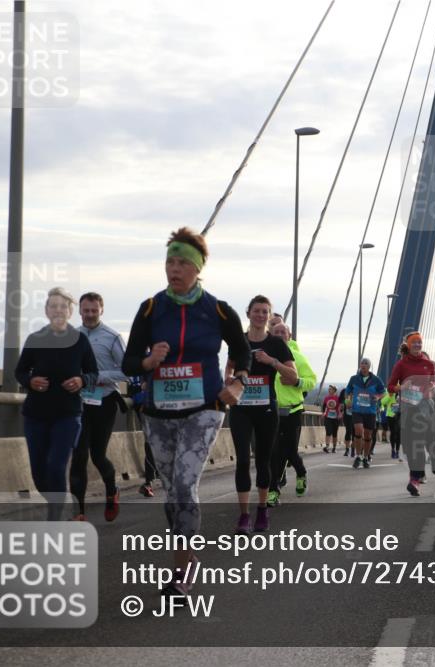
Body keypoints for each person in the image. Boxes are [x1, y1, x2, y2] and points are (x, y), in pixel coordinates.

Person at [122, 227, 250, 597]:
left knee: (183, 484)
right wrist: (149, 361)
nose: (173, 269)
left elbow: (241, 352)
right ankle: (188, 553)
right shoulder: (150, 309)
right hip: (158, 411)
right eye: (169, 262)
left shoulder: (218, 310)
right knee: (170, 491)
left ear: (197, 269)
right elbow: (131, 359)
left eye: (182, 263)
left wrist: (237, 383)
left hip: (204, 408)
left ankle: (180, 573)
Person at [15, 288, 99, 520]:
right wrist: (30, 381)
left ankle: (55, 519)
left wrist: (81, 380)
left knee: (55, 466)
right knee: (39, 473)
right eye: (53, 306)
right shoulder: (35, 339)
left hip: (68, 414)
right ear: (46, 310)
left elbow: (93, 372)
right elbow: (20, 371)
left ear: (71, 311)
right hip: (35, 415)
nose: (58, 310)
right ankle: (55, 502)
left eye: (63, 306)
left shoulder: (80, 341)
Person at [226, 295, 295, 533]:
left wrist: (271, 361)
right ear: (248, 313)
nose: (261, 315)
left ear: (269, 316)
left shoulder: (276, 344)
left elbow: (293, 377)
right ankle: (244, 516)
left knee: (264, 461)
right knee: (243, 460)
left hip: (266, 409)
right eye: (257, 311)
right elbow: (229, 367)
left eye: (265, 312)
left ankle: (262, 510)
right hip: (241, 409)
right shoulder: (239, 341)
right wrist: (228, 378)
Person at [71, 292, 129, 522]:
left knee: (97, 455)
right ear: (80, 311)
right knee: (78, 455)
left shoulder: (112, 337)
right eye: (86, 310)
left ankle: (112, 489)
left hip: (104, 401)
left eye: (94, 310)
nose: (90, 315)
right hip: (79, 402)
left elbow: (126, 371)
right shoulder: (72, 336)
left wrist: (96, 377)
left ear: (101, 310)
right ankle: (78, 512)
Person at [269, 321, 316, 504]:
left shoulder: (297, 357)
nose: (280, 334)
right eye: (276, 332)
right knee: (273, 452)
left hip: (292, 410)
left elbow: (311, 381)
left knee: (289, 450)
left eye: (283, 332)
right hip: (269, 410)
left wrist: (297, 383)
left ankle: (301, 472)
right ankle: (274, 489)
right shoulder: (264, 356)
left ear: (289, 336)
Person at [387, 332, 435, 496]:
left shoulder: (428, 364)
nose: (417, 345)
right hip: (407, 408)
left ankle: (414, 480)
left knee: (418, 442)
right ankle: (415, 475)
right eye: (414, 343)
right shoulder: (401, 365)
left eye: (419, 342)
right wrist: (401, 387)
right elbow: (390, 387)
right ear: (408, 345)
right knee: (409, 447)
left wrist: (433, 387)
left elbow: (433, 382)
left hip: (423, 407)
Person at [342, 358, 386, 470]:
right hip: (357, 410)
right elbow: (347, 390)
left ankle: (366, 457)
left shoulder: (376, 379)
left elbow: (383, 392)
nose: (363, 365)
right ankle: (358, 456)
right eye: (362, 363)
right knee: (358, 431)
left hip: (370, 411)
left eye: (366, 363)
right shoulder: (354, 378)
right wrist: (347, 400)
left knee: (367, 436)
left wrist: (378, 397)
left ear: (369, 366)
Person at [322, 385, 342, 453]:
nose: (329, 390)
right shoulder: (326, 398)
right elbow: (324, 406)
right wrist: (323, 413)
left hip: (336, 418)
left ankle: (334, 447)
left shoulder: (338, 398)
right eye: (329, 389)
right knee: (328, 432)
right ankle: (327, 447)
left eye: (330, 389)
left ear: (334, 390)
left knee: (334, 433)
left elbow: (341, 407)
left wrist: (340, 413)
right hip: (328, 417)